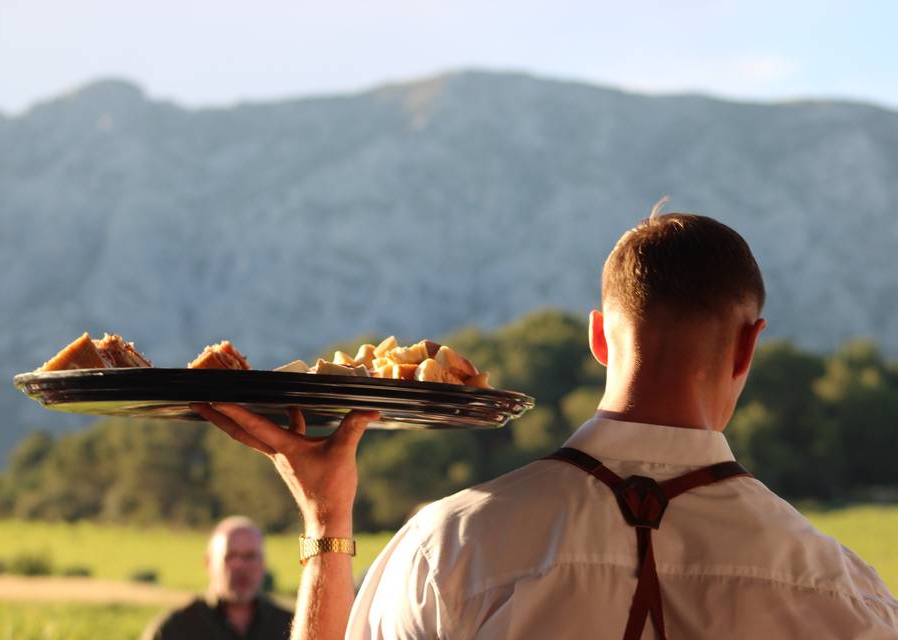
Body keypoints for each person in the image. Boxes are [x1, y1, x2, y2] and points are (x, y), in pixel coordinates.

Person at [194, 211, 898, 639]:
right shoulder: (844, 593)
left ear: (598, 337)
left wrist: (326, 516)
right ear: (749, 345)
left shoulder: (448, 549)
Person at [142, 515, 293, 640]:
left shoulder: (291, 627)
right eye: (230, 556)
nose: (240, 566)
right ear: (209, 562)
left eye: (250, 556)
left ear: (263, 564)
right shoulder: (174, 629)